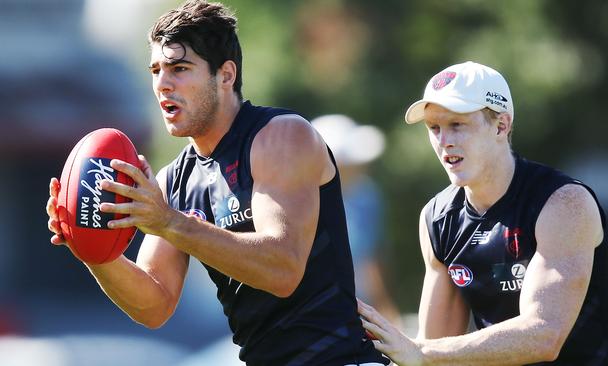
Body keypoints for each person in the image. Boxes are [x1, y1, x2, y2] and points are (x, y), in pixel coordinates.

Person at [45, 1, 388, 365]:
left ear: (225, 75)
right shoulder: (174, 180)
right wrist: (92, 249)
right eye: (156, 70)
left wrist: (169, 222)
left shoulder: (281, 136)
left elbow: (283, 268)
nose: (163, 84)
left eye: (180, 68)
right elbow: (154, 305)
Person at [357, 61, 608, 365]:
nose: (444, 141)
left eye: (457, 124)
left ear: (501, 125)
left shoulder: (563, 203)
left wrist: (420, 352)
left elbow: (544, 335)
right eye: (434, 127)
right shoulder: (437, 218)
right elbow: (431, 353)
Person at [311, 115, 401, 325]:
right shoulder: (298, 203)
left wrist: (387, 315)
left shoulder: (366, 196)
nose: (360, 168)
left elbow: (371, 263)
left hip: (357, 311)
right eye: (349, 163)